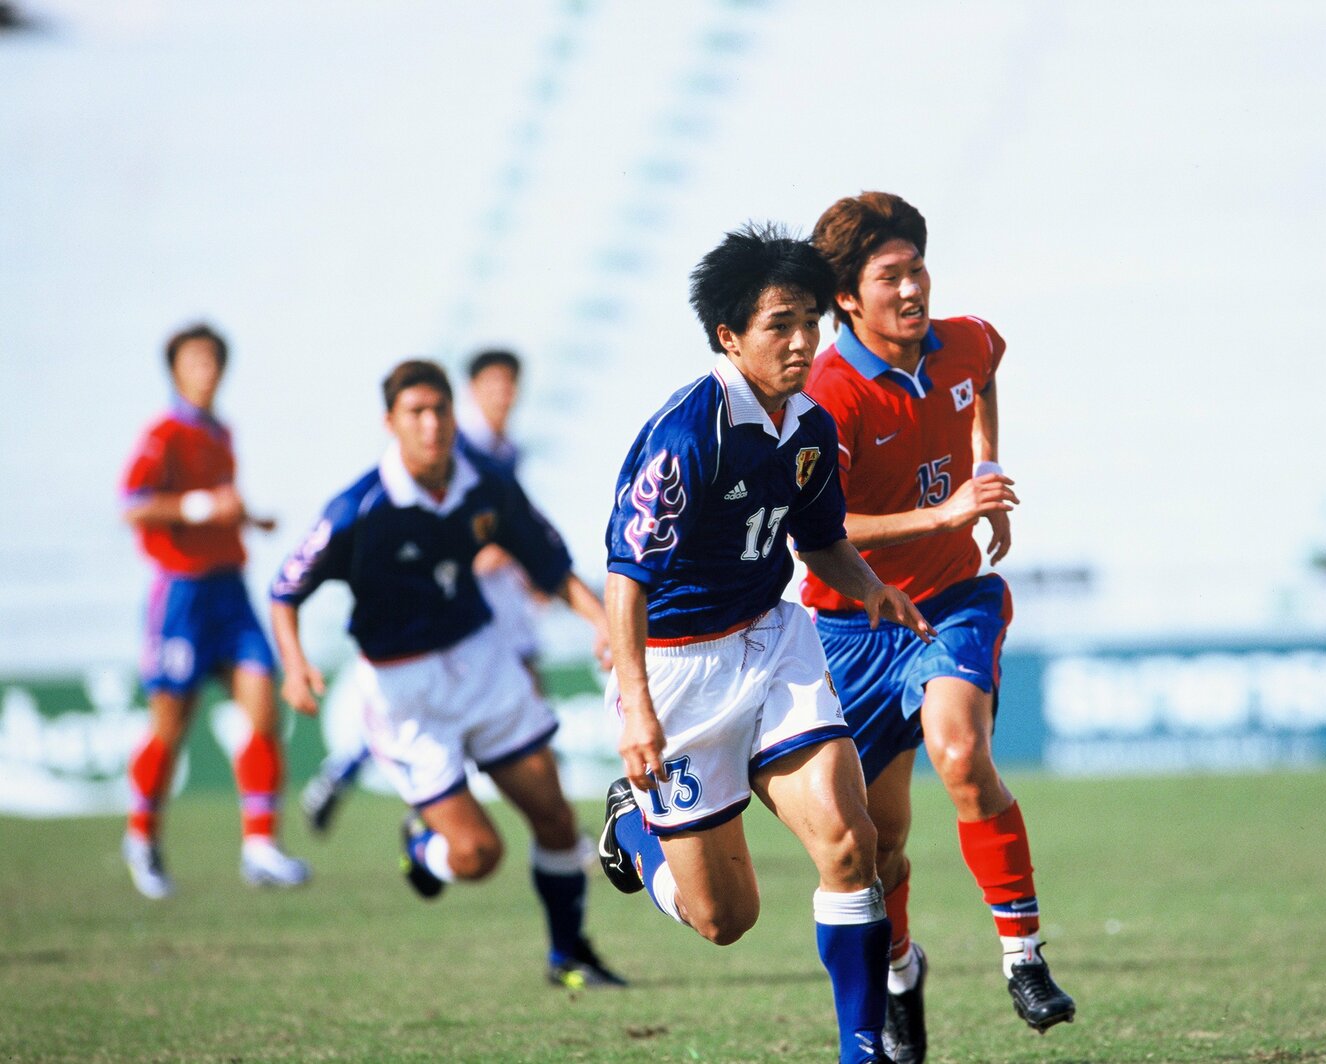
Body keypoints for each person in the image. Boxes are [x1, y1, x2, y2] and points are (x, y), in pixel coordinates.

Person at [595, 223, 934, 1064]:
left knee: (851, 844)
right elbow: (625, 582)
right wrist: (637, 710)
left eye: (810, 322)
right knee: (724, 921)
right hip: (676, 677)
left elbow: (817, 541)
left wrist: (871, 590)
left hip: (775, 642)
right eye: (780, 325)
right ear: (729, 336)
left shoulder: (811, 425)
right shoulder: (688, 433)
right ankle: (633, 831)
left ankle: (862, 1050)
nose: (801, 342)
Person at [801, 191, 1074, 1061]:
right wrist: (947, 507)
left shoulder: (964, 337)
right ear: (848, 296)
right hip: (849, 628)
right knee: (875, 849)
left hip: (954, 601)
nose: (913, 288)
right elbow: (823, 534)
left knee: (960, 754)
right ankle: (900, 972)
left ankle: (1023, 957)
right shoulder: (827, 396)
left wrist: (985, 463)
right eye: (891, 277)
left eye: (918, 268)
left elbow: (987, 367)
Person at [269, 359, 624, 989]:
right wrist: (294, 665)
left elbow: (548, 564)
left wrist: (601, 620)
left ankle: (568, 956)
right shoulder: (358, 509)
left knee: (557, 819)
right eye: (416, 413)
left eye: (440, 410)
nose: (432, 425)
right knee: (478, 856)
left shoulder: (486, 483)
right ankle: (423, 849)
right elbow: (285, 590)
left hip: (482, 662)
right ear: (391, 422)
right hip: (408, 692)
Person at [298, 348, 555, 833]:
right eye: (493, 385)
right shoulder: (463, 451)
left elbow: (515, 529)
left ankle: (356, 776)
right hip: (460, 601)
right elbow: (453, 530)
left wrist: (528, 570)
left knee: (514, 698)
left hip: (492, 595)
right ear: (474, 393)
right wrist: (491, 555)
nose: (503, 395)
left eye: (510, 385)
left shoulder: (504, 448)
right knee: (508, 697)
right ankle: (416, 807)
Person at [119, 322, 310, 899]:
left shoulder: (221, 432)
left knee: (263, 705)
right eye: (196, 361)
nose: (207, 370)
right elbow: (133, 505)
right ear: (176, 370)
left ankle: (260, 845)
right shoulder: (164, 433)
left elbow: (213, 508)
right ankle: (143, 836)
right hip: (182, 594)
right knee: (170, 727)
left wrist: (245, 518)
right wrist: (204, 506)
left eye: (213, 361)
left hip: (230, 590)